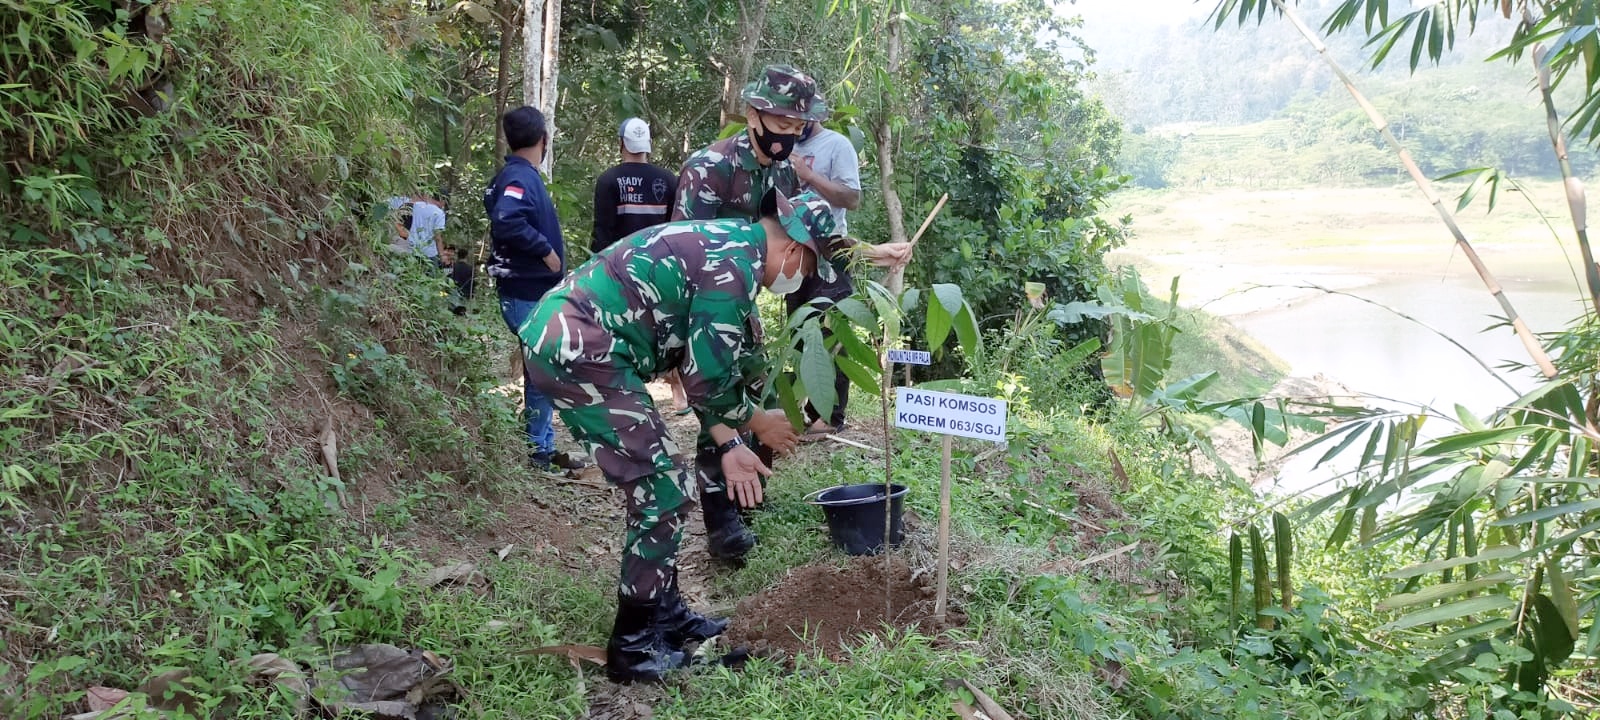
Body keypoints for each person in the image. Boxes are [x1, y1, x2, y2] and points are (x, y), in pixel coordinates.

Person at [520, 189, 835, 683]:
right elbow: (707, 381)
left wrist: (730, 445)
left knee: (664, 485)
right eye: (810, 268)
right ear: (795, 251)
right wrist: (758, 422)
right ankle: (633, 646)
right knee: (663, 492)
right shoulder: (733, 272)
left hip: (587, 343)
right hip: (579, 348)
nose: (802, 279)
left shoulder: (734, 248)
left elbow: (716, 367)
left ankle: (665, 612)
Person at [787, 105, 913, 436]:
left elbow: (852, 198)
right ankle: (804, 409)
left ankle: (830, 415)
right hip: (792, 252)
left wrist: (810, 175)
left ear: (818, 117)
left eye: (803, 120)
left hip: (832, 251)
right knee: (800, 333)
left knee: (831, 333)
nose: (796, 126)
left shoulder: (836, 145)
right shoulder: (784, 143)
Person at [484, 106, 588, 475]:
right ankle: (539, 452)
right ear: (543, 140)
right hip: (524, 291)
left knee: (541, 370)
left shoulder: (518, 175)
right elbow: (506, 219)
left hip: (530, 290)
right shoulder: (518, 178)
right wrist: (545, 251)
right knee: (544, 371)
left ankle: (541, 446)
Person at [671, 64, 820, 223]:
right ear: (753, 116)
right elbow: (684, 242)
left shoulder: (786, 168)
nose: (791, 134)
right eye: (784, 126)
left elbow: (794, 227)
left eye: (799, 127)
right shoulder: (708, 169)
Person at [592, 118, 677, 254]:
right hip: (658, 262)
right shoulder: (669, 179)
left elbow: (602, 233)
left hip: (619, 264)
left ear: (621, 143)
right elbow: (675, 228)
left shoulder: (608, 179)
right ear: (649, 143)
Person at [407, 193, 448, 262]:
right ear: (443, 201)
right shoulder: (439, 213)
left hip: (411, 249)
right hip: (429, 254)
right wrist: (441, 255)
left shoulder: (414, 206)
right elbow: (437, 237)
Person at [440, 245, 474, 315]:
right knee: (463, 313)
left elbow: (447, 280)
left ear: (457, 256)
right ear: (466, 256)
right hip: (466, 295)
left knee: (453, 312)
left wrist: (444, 294)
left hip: (454, 294)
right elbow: (472, 283)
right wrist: (471, 295)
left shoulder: (452, 267)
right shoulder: (470, 269)